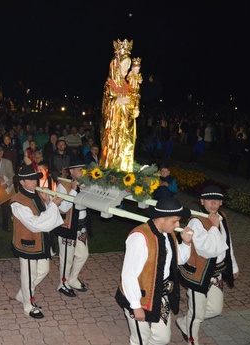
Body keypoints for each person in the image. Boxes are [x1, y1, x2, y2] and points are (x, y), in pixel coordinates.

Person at [115, 197, 193, 345]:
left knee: (162, 338)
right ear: (162, 219)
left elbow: (177, 260)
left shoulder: (168, 233)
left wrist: (186, 243)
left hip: (159, 295)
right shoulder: (140, 237)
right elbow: (128, 274)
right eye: (175, 221)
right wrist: (136, 306)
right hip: (139, 297)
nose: (178, 225)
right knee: (140, 339)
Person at [176, 186, 239, 345]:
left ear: (221, 203)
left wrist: (234, 267)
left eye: (217, 200)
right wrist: (214, 227)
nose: (213, 204)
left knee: (215, 309)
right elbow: (207, 250)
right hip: (200, 274)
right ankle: (192, 340)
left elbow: (227, 243)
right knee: (197, 313)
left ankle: (185, 322)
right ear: (202, 201)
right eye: (209, 200)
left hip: (216, 272)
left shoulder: (222, 217)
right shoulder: (196, 221)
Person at [11, 165, 64, 319]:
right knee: (28, 274)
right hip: (27, 243)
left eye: (35, 178)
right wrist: (53, 206)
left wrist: (48, 203)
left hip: (40, 242)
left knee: (43, 270)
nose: (35, 181)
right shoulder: (17, 202)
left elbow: (45, 214)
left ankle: (23, 293)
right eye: (30, 179)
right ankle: (28, 305)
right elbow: (35, 223)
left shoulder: (37, 194)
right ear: (21, 182)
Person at [100, 39, 139, 172]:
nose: (127, 69)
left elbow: (132, 99)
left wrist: (134, 107)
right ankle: (113, 170)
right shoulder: (110, 83)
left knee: (126, 146)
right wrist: (117, 101)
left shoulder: (126, 84)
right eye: (125, 65)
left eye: (128, 66)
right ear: (116, 65)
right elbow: (106, 105)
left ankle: (125, 169)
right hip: (115, 127)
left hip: (126, 125)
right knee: (115, 148)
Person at [54, 159, 91, 297]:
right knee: (67, 258)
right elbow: (62, 208)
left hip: (81, 225)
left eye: (83, 169)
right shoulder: (63, 185)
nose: (83, 172)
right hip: (67, 226)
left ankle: (73, 279)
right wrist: (74, 191)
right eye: (80, 169)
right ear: (71, 171)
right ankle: (63, 283)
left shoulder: (86, 184)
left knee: (83, 255)